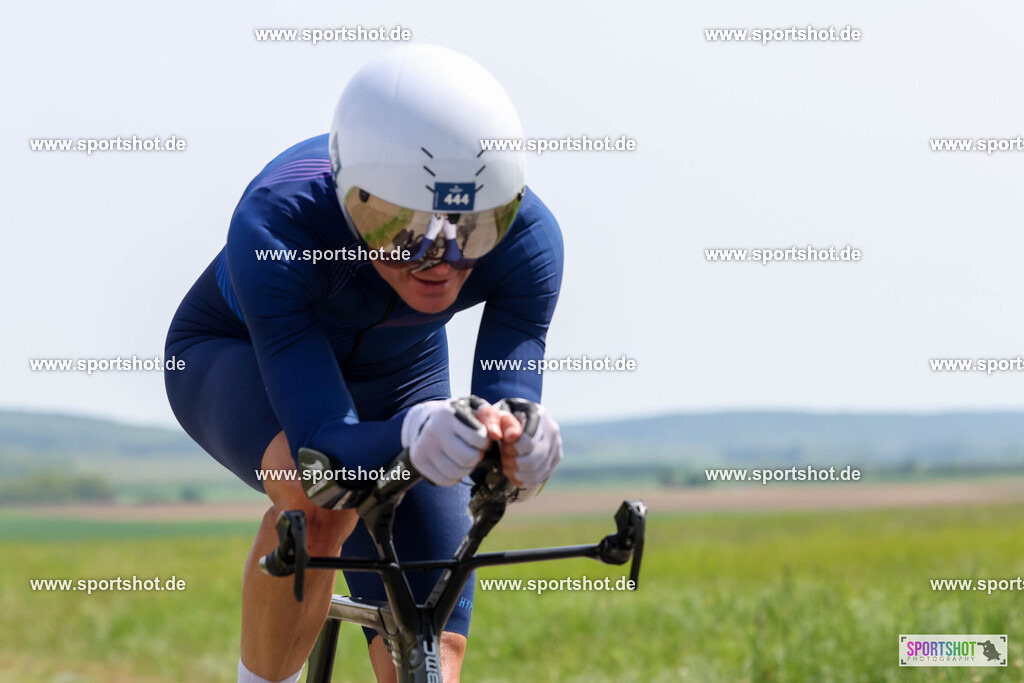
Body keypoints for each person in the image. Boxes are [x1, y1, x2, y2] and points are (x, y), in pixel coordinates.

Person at [164, 44, 564, 683]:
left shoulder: (528, 238)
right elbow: (324, 453)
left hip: (402, 372)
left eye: (473, 230)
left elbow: (506, 404)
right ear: (354, 199)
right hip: (239, 356)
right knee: (318, 506)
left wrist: (519, 448)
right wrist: (412, 432)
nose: (441, 261)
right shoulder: (278, 225)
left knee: (431, 635)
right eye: (406, 232)